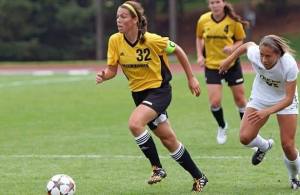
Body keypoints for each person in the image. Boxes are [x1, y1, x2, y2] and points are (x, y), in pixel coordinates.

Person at [96, 1, 208, 192]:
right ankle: (199, 177)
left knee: (134, 123)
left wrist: (191, 78)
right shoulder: (115, 40)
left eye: (123, 16)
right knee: (168, 139)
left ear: (135, 20)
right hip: (139, 95)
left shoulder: (152, 40)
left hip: (159, 92)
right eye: (117, 16)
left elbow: (178, 50)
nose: (118, 20)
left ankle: (157, 168)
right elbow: (113, 70)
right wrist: (105, 75)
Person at [219, 35, 300, 189]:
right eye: (262, 55)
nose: (263, 59)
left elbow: (289, 99)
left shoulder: (289, 65)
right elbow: (247, 45)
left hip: (285, 100)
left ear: (278, 54)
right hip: (260, 97)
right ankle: (264, 146)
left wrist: (267, 112)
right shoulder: (255, 53)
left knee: (288, 145)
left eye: (268, 56)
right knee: (245, 137)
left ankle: (294, 177)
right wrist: (229, 60)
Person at [196, 0, 248, 144]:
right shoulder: (203, 20)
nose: (215, 5)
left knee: (240, 100)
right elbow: (199, 37)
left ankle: (248, 132)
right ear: (209, 5)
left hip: (231, 65)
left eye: (217, 2)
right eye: (212, 2)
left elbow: (241, 40)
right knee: (214, 102)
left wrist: (232, 48)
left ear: (223, 3)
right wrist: (200, 55)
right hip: (212, 66)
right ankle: (222, 126)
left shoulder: (233, 21)